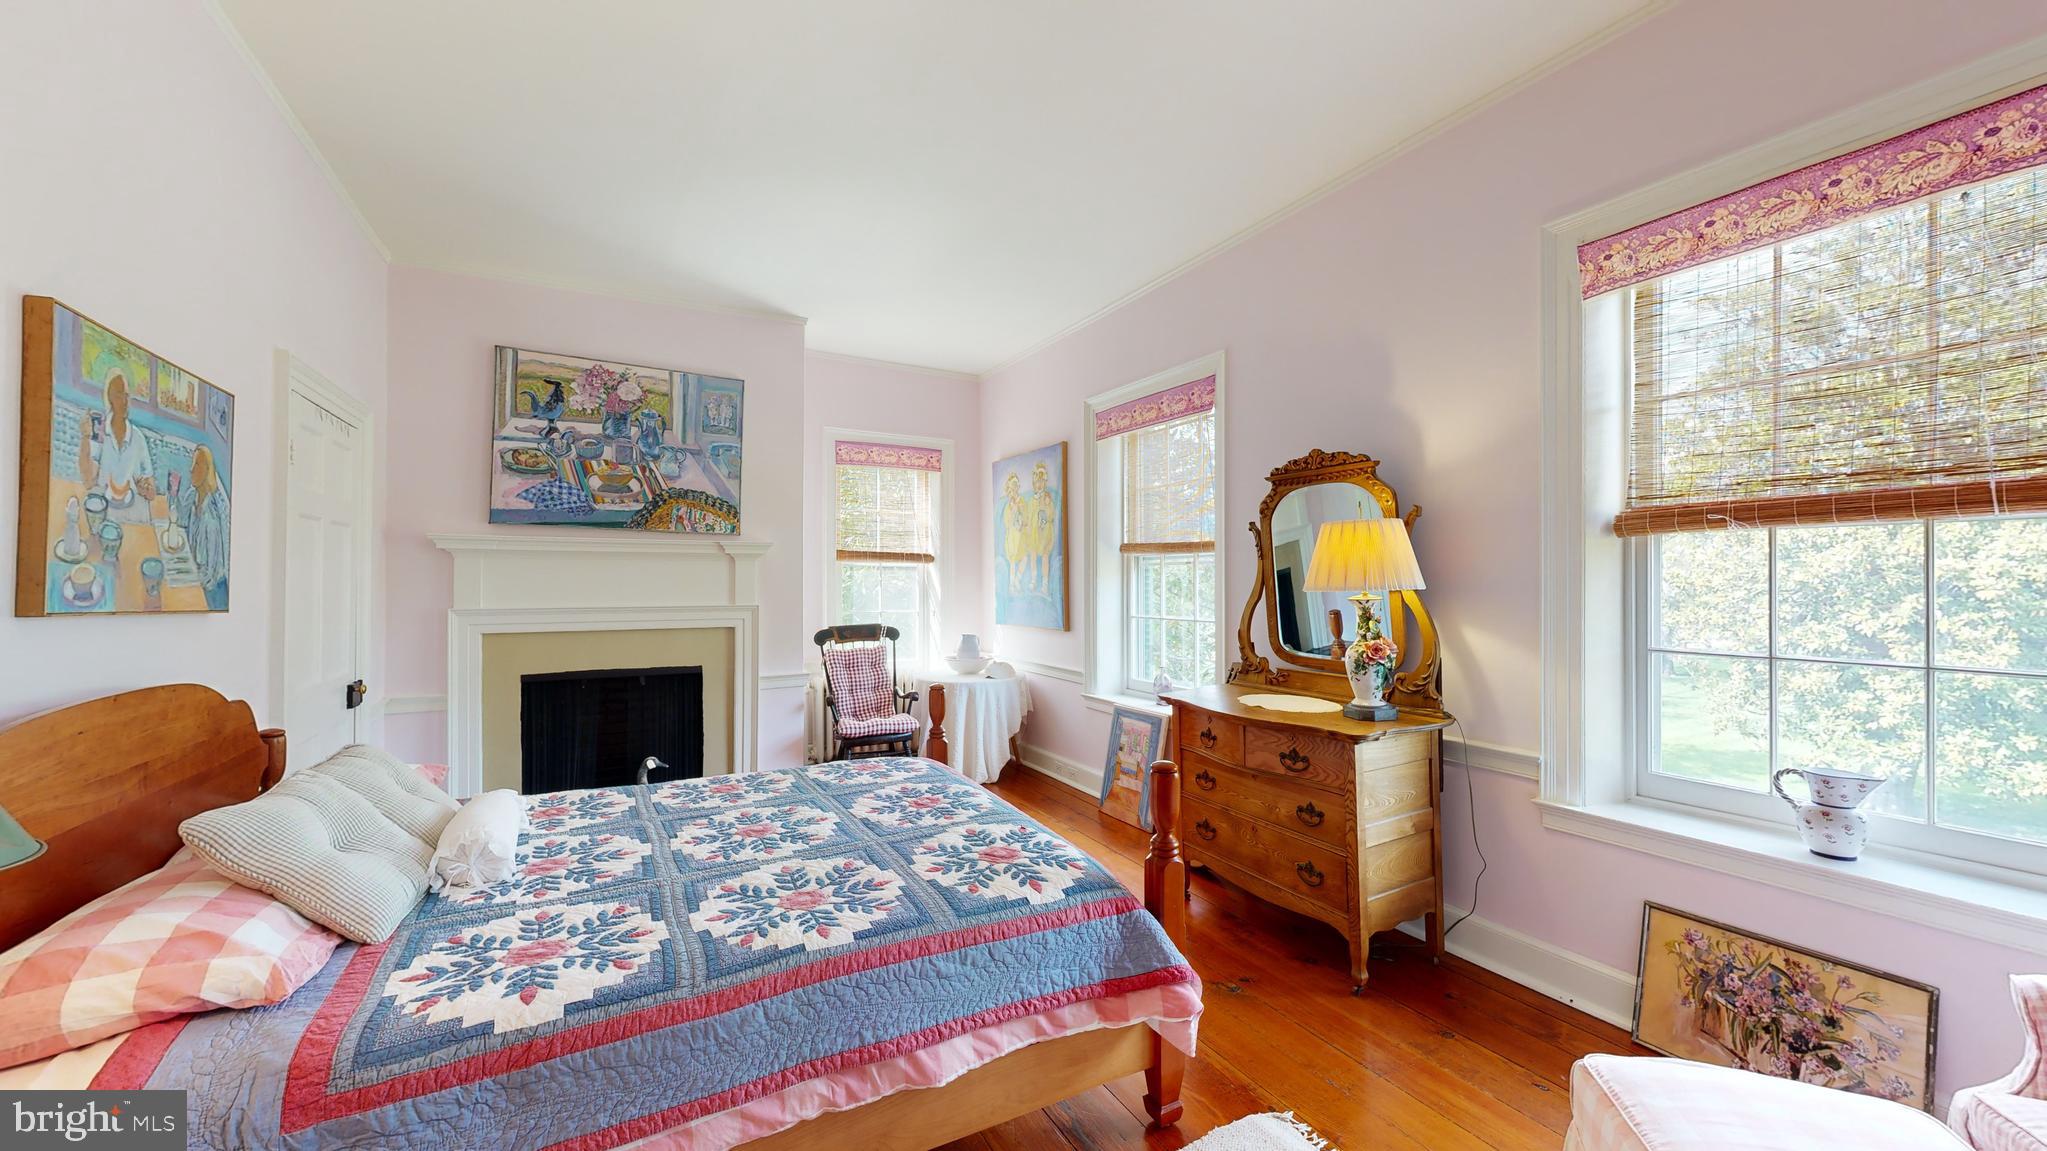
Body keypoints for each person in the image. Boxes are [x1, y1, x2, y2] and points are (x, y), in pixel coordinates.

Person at [79, 373, 156, 524]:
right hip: (106, 513)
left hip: (134, 515)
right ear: (110, 398)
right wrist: (85, 438)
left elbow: (151, 491)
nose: (125, 401)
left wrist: (146, 489)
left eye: (127, 395)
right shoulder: (100, 433)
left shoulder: (138, 438)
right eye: (120, 395)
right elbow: (88, 481)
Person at [177, 445, 230, 610]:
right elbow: (180, 521)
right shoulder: (193, 495)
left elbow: (210, 577)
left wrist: (186, 580)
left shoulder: (211, 518)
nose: (191, 470)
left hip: (212, 593)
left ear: (207, 471)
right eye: (192, 464)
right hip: (196, 571)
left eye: (197, 465)